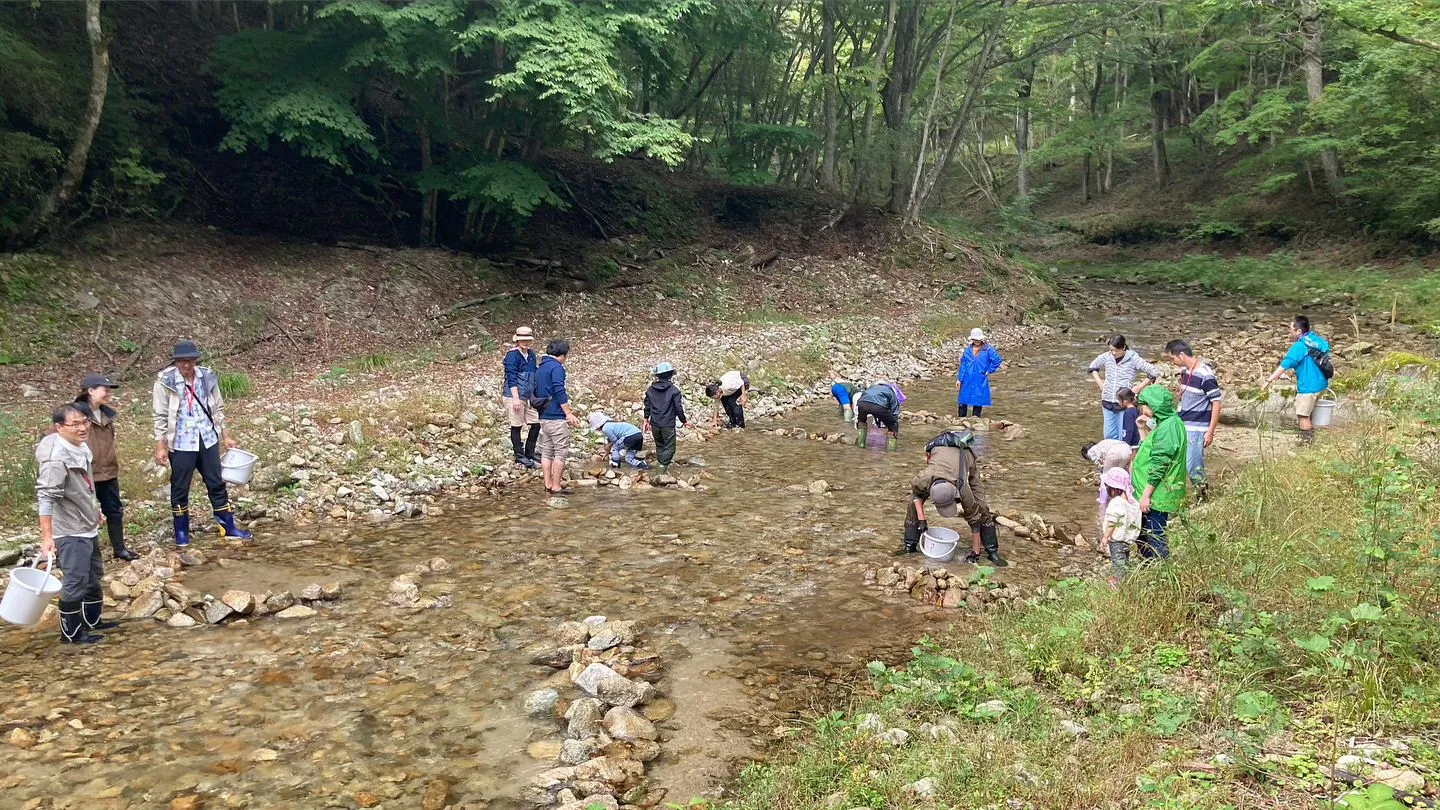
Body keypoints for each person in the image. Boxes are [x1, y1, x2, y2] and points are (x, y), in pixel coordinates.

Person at [152, 341, 251, 546]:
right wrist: (160, 445)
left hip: (207, 437)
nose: (186, 366)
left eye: (189, 361)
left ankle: (228, 526)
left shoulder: (207, 377)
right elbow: (160, 415)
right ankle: (181, 533)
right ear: (176, 362)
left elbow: (217, 408)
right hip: (180, 442)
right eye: (181, 362)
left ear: (196, 360)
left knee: (216, 482)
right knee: (180, 487)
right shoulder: (165, 381)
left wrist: (226, 435)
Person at [36, 403, 118, 645]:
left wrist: (97, 511)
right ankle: (71, 635)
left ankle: (92, 622)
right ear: (59, 428)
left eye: (85, 422)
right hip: (70, 531)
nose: (83, 428)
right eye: (76, 424)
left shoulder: (80, 447)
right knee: (75, 580)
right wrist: (48, 537)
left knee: (93, 575)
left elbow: (87, 486)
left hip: (87, 524)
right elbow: (46, 498)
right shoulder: (55, 460)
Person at [901, 430, 1006, 566]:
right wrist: (922, 519)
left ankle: (992, 551)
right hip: (939, 468)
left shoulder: (962, 488)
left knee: (981, 506)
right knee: (912, 504)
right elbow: (916, 494)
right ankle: (909, 545)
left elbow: (974, 520)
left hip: (965, 458)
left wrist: (975, 553)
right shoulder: (924, 478)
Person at [74, 373, 136, 561]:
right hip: (85, 474)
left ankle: (120, 549)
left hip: (108, 472)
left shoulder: (106, 414)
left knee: (115, 511)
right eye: (105, 389)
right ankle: (75, 555)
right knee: (81, 515)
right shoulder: (75, 415)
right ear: (91, 391)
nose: (108, 393)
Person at [1130, 386, 1187, 560]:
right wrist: (1142, 428)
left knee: (1154, 535)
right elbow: (1152, 449)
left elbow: (1160, 464)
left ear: (1153, 405)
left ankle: (1160, 570)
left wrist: (1146, 495)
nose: (1143, 409)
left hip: (1157, 495)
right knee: (1143, 535)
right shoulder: (1167, 422)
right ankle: (1150, 568)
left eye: (1145, 405)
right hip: (1155, 493)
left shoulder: (1167, 428)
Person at [1261, 315, 1332, 444]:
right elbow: (1327, 350)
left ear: (1299, 331)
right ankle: (1312, 439)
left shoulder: (1299, 347)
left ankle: (1307, 443)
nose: (1290, 332)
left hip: (1307, 387)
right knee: (1311, 413)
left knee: (1303, 416)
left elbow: (1284, 366)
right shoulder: (1316, 340)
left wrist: (1268, 380)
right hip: (1321, 384)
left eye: (1291, 329)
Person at [1166, 339, 1223, 488]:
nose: (1172, 362)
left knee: (1193, 466)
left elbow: (1217, 403)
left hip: (1197, 428)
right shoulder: (1185, 372)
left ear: (1182, 355)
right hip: (1184, 423)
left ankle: (1203, 496)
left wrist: (1210, 432)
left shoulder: (1205, 375)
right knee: (1180, 462)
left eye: (1173, 358)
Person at [1088, 335, 1160, 441]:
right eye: (1111, 350)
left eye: (1116, 350)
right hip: (1107, 400)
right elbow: (1093, 366)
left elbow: (1154, 372)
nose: (1113, 353)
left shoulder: (1133, 359)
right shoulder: (1106, 356)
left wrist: (1138, 387)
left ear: (1123, 348)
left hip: (1124, 402)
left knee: (1124, 435)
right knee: (1108, 436)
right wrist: (1100, 384)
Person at [534, 339, 582, 495]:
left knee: (547, 451)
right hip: (556, 416)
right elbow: (559, 390)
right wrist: (568, 412)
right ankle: (556, 487)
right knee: (560, 452)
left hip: (543, 415)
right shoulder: (557, 368)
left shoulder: (540, 368)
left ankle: (547, 484)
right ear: (563, 355)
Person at [502, 326, 541, 469]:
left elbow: (534, 374)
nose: (525, 342)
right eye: (522, 340)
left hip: (527, 396)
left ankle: (529, 453)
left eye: (527, 340)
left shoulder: (531, 355)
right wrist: (516, 398)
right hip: (514, 396)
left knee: (536, 423)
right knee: (516, 425)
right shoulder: (512, 356)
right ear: (517, 341)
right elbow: (511, 377)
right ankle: (519, 456)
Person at [1099, 467, 1142, 581]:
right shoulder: (1133, 503)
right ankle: (1126, 582)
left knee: (1118, 565)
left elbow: (1113, 522)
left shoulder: (1116, 503)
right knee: (1124, 562)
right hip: (1128, 540)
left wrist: (1106, 536)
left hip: (1117, 541)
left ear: (1113, 488)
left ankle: (1117, 587)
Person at [643, 362, 687, 469]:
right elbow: (678, 408)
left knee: (660, 446)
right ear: (671, 375)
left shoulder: (650, 390)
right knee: (670, 449)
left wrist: (646, 420)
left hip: (655, 424)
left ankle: (661, 469)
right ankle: (661, 469)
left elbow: (647, 406)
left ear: (657, 376)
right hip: (668, 424)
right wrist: (684, 421)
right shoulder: (674, 390)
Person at [956, 328, 1003, 417]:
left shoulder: (988, 349)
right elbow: (963, 366)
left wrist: (989, 370)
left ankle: (975, 422)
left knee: (978, 401)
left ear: (981, 339)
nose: (976, 341)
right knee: (962, 402)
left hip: (980, 378)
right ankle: (961, 422)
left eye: (978, 339)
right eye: (974, 339)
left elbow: (997, 360)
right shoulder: (968, 351)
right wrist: (959, 379)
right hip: (967, 379)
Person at [856, 381, 904, 446]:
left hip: (862, 404)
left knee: (861, 421)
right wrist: (893, 422)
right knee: (893, 426)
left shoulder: (871, 388)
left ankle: (860, 444)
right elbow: (894, 410)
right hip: (878, 407)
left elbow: (862, 397)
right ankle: (891, 450)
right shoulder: (890, 392)